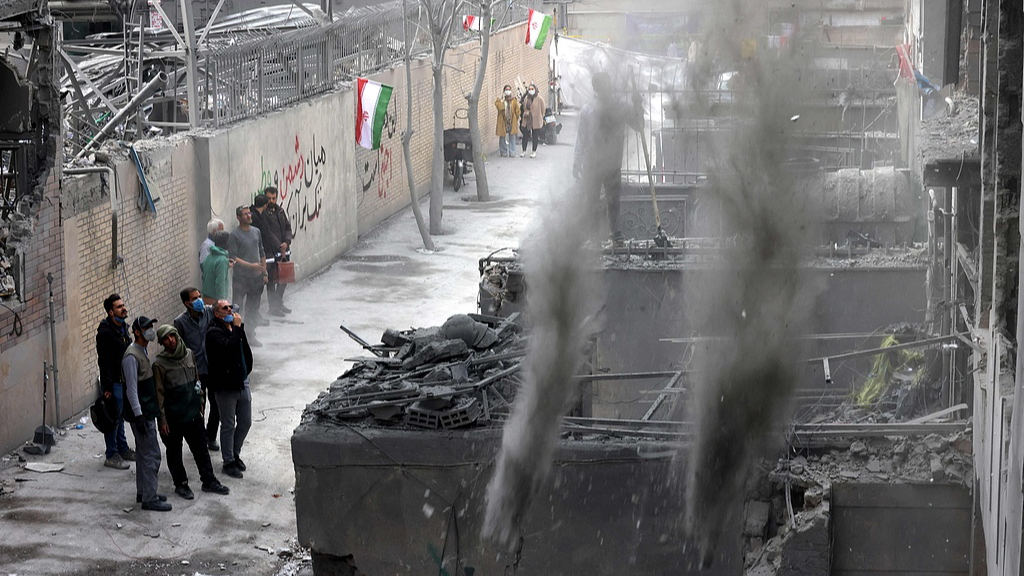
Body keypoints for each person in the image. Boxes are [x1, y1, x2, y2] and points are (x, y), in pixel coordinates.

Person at [153, 324, 231, 499]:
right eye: (166, 338)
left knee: (201, 449)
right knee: (174, 452)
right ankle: (181, 484)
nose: (170, 340)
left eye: (172, 336)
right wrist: (162, 420)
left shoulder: (188, 354)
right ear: (162, 342)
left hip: (193, 414)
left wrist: (201, 400)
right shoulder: (159, 364)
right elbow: (159, 394)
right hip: (173, 417)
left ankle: (209, 481)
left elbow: (196, 380)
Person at [572, 71, 644, 243]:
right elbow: (581, 138)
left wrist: (638, 106)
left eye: (606, 86)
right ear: (596, 89)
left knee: (613, 201)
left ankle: (616, 235)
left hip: (612, 164)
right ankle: (593, 237)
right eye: (600, 87)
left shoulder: (622, 107)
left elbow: (639, 126)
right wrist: (576, 161)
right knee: (591, 203)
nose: (604, 90)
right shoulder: (588, 110)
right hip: (592, 164)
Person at [122, 315, 171, 511]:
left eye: (151, 326)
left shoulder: (141, 351)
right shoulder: (131, 357)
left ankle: (144, 492)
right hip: (141, 415)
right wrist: (139, 415)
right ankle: (150, 498)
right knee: (152, 455)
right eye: (146, 327)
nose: (151, 330)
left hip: (145, 412)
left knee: (143, 455)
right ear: (137, 331)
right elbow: (131, 390)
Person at [206, 299, 254, 479]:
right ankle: (228, 462)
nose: (230, 310)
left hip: (242, 381)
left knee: (246, 421)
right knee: (228, 424)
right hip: (225, 386)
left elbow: (243, 348)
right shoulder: (213, 332)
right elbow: (229, 348)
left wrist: (246, 369)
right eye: (225, 308)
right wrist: (238, 329)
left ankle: (235, 453)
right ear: (217, 313)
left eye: (230, 307)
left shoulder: (234, 329)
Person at [173, 287, 220, 452]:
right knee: (198, 406)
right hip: (195, 372)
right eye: (195, 298)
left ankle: (211, 436)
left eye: (200, 296)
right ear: (187, 303)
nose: (199, 300)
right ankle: (200, 438)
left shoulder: (209, 313)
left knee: (217, 405)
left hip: (212, 368)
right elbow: (178, 348)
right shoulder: (180, 322)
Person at [96, 293, 135, 470]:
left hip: (124, 381)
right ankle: (111, 455)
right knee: (112, 418)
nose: (123, 308)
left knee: (119, 417)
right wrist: (108, 388)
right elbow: (104, 362)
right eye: (119, 307)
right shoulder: (105, 333)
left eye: (123, 305)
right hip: (114, 384)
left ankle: (123, 448)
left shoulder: (123, 328)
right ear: (111, 312)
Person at [228, 205, 266, 345]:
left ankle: (251, 335)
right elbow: (233, 257)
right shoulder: (234, 235)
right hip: (241, 278)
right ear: (238, 217)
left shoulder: (256, 232)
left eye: (249, 213)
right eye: (245, 214)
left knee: (253, 308)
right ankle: (236, 337)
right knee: (237, 308)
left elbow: (261, 252)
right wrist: (251, 266)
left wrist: (264, 271)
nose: (249, 216)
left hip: (256, 279)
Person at [253, 187, 293, 316]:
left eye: (274, 198)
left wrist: (286, 242)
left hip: (284, 251)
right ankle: (273, 307)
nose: (271, 201)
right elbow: (267, 232)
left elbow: (288, 227)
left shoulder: (280, 211)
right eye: (269, 198)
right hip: (271, 251)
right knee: (271, 281)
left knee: (284, 278)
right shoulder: (263, 214)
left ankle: (278, 303)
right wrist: (279, 245)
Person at [202, 230, 232, 305]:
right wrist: (222, 301)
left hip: (206, 297)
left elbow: (209, 273)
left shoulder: (209, 257)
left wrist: (227, 266)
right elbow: (220, 282)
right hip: (215, 300)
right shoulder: (222, 260)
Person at [519, 83, 546, 158]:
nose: (531, 91)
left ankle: (534, 151)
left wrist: (541, 116)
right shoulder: (526, 98)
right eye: (529, 89)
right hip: (527, 119)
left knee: (535, 135)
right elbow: (523, 107)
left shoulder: (539, 99)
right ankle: (523, 151)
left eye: (532, 89)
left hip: (536, 119)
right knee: (525, 135)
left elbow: (543, 109)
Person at [494, 85, 521, 157]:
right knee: (502, 136)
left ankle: (512, 152)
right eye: (506, 89)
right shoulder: (500, 100)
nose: (508, 91)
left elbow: (517, 111)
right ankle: (503, 152)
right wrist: (502, 101)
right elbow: (499, 107)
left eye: (509, 89)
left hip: (511, 121)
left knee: (512, 137)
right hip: (503, 121)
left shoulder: (514, 100)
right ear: (504, 91)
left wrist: (516, 119)